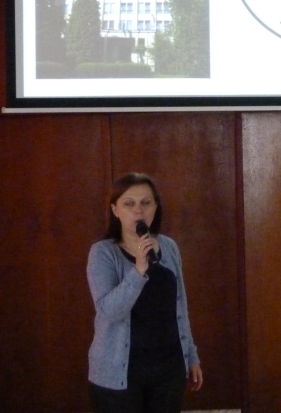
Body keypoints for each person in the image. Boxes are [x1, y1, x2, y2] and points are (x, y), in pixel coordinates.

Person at [87, 172, 203, 413]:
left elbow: (180, 308)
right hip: (120, 373)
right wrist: (139, 270)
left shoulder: (169, 247)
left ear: (155, 207)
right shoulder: (103, 253)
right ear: (115, 210)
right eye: (129, 204)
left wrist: (191, 356)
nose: (138, 210)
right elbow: (109, 312)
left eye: (146, 203)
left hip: (168, 370)